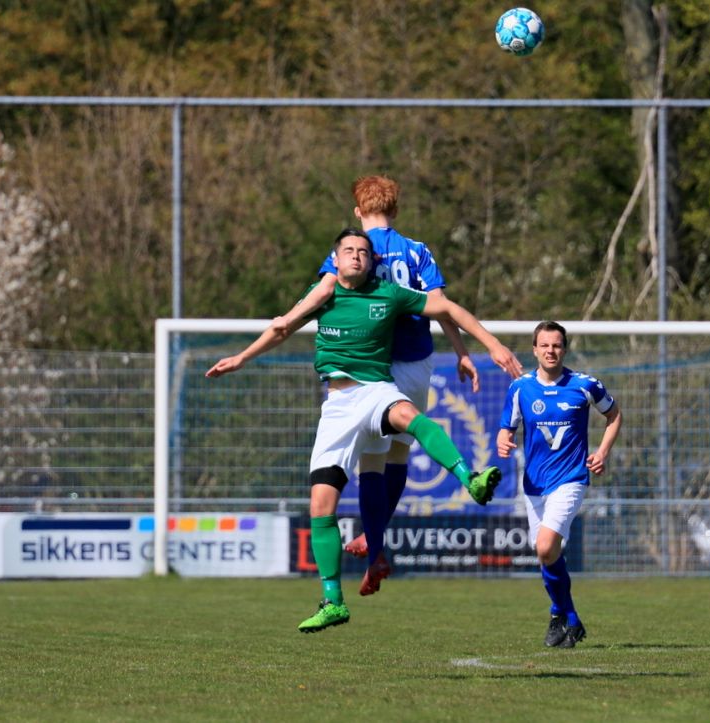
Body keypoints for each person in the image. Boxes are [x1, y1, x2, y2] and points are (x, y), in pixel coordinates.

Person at [207, 228, 522, 634]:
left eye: (363, 252)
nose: (356, 256)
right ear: (335, 260)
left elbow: (447, 308)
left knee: (410, 418)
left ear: (372, 261)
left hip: (375, 390)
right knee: (321, 504)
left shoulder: (388, 293)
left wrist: (491, 346)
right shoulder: (323, 294)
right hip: (337, 405)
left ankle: (471, 479)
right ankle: (332, 601)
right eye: (348, 251)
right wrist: (241, 357)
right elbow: (282, 327)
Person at [272, 175, 490, 596]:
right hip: (418, 358)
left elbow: (326, 289)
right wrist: (462, 351)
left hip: (373, 362)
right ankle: (378, 537)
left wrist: (284, 322)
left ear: (358, 211)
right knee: (401, 452)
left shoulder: (353, 249)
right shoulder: (419, 250)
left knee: (371, 464)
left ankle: (375, 549)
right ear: (397, 208)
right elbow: (441, 305)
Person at [496, 321, 622, 649]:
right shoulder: (521, 388)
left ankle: (560, 614)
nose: (551, 351)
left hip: (570, 479)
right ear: (535, 350)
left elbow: (614, 415)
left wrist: (603, 452)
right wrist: (503, 441)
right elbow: (505, 428)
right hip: (535, 484)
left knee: (544, 546)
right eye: (545, 345)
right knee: (548, 555)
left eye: (557, 345)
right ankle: (568, 617)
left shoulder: (584, 385)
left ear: (564, 349)